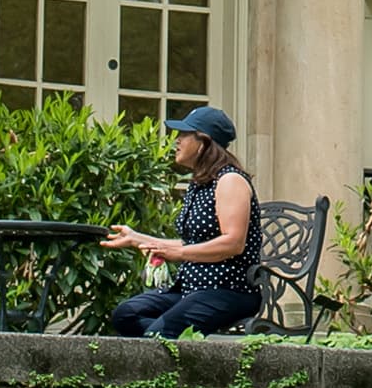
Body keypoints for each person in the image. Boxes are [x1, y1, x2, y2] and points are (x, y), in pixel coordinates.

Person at [101, 106, 261, 338]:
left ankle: (166, 341)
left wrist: (179, 254)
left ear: (204, 141)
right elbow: (192, 242)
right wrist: (138, 239)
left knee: (160, 334)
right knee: (126, 315)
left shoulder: (230, 180)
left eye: (184, 135)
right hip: (192, 288)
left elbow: (233, 243)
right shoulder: (201, 184)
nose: (176, 141)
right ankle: (180, 344)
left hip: (228, 290)